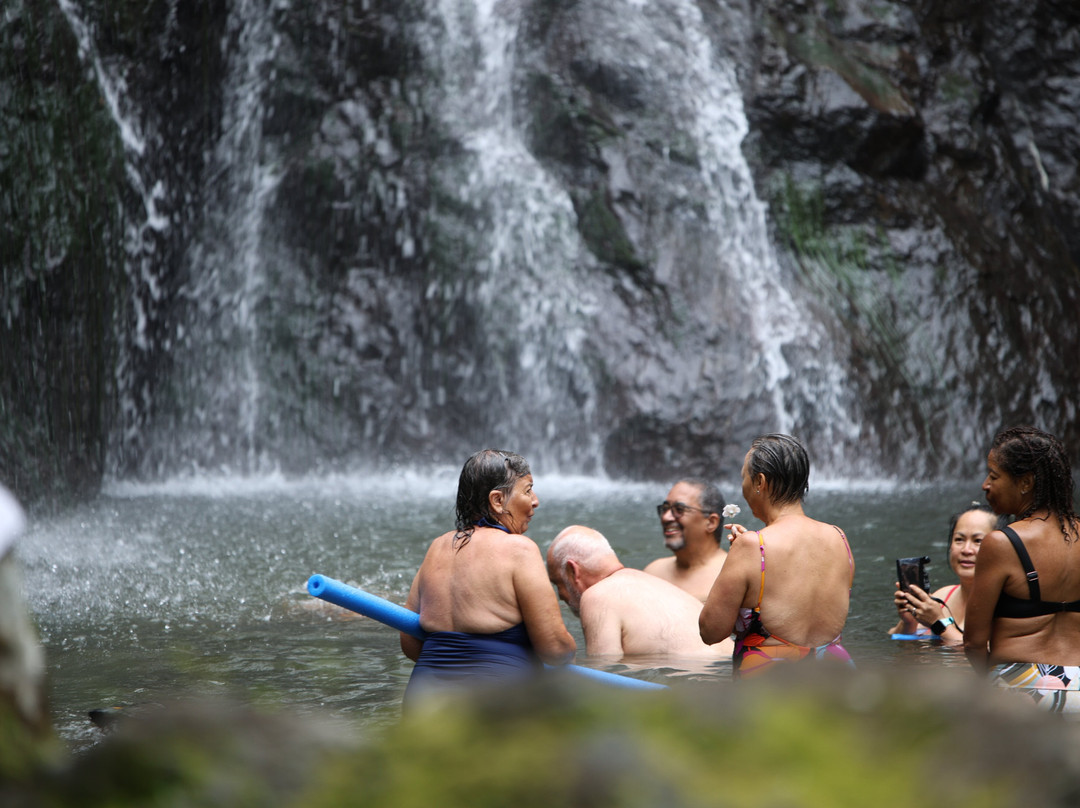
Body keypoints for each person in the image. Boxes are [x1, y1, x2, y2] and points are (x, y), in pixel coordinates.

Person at [400, 450, 576, 706]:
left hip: (425, 702)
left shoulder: (437, 547)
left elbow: (409, 643)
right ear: (497, 500)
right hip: (495, 704)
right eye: (528, 491)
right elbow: (555, 649)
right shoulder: (519, 549)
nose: (535, 501)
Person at [699, 434, 854, 677]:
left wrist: (739, 558)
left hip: (775, 692)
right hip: (836, 683)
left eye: (744, 478)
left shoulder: (752, 547)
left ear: (760, 481)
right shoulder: (839, 538)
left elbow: (710, 631)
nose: (743, 487)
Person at [964, 426, 1080, 704]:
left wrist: (989, 686)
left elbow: (974, 643)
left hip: (1021, 686)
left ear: (1026, 483)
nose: (985, 485)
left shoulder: (1001, 543)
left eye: (993, 475)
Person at [547, 525, 734, 658]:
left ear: (573, 571)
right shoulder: (662, 585)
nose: (561, 595)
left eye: (557, 583)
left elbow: (604, 679)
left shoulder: (596, 596)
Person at [889, 505, 1000, 644]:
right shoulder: (942, 597)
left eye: (978, 541)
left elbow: (990, 655)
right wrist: (908, 622)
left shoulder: (1008, 605)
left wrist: (938, 623)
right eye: (959, 539)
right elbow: (896, 644)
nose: (966, 550)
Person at [643, 478, 728, 602]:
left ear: (711, 522)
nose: (666, 517)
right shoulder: (653, 573)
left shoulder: (731, 574)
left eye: (679, 510)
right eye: (665, 508)